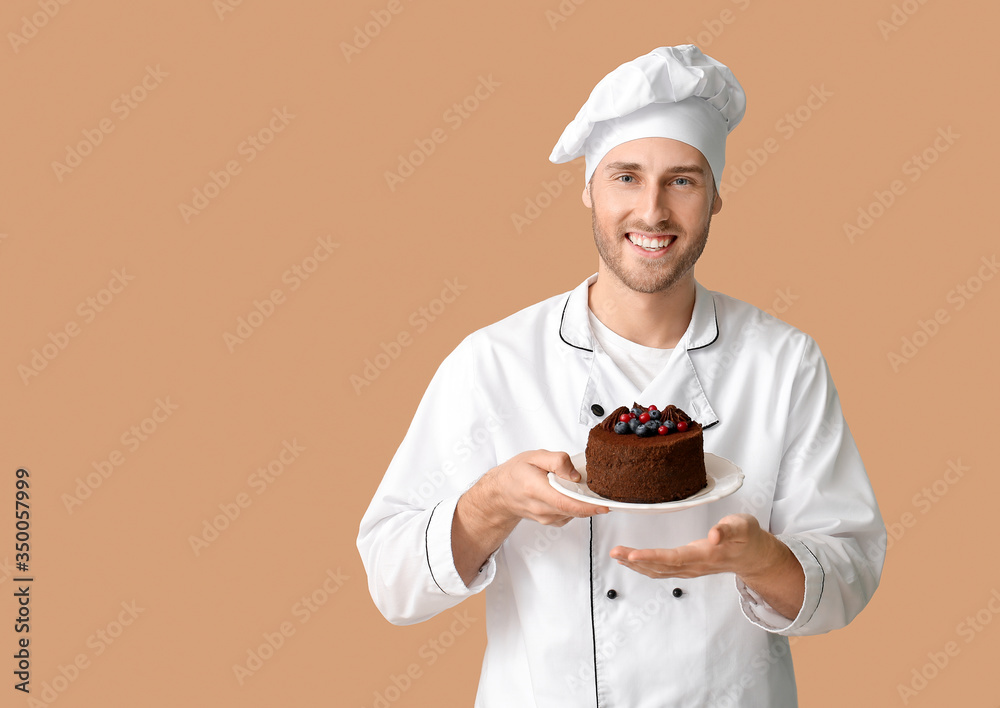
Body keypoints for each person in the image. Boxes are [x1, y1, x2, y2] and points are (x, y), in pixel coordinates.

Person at [357, 45, 885, 707]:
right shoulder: (494, 362)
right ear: (588, 188)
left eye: (683, 180)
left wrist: (763, 559)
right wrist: (491, 503)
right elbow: (391, 580)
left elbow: (852, 570)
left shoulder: (782, 362)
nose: (653, 212)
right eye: (626, 177)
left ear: (717, 194)